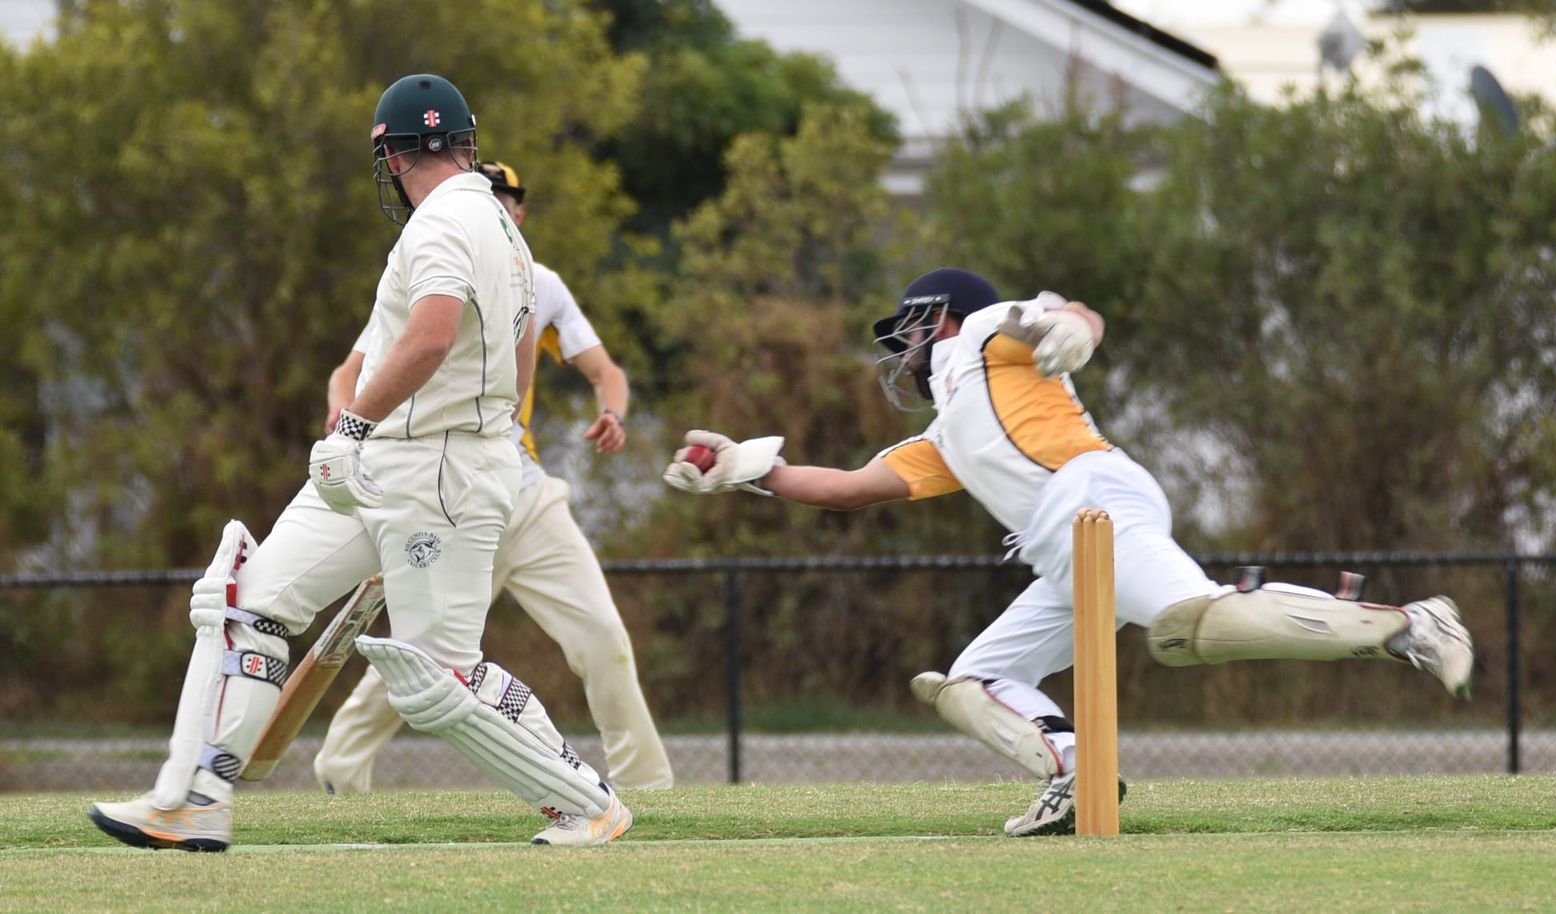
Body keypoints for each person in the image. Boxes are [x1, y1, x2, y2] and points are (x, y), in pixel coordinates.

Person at [661, 266, 1474, 837]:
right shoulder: (949, 432)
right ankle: (1077, 775)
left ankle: (1408, 623)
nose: (903, 349)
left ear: (941, 316)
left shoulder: (985, 332)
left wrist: (1073, 329)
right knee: (974, 682)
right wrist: (748, 470)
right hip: (1064, 550)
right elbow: (845, 488)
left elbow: (1066, 311)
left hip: (1092, 502)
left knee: (1189, 629)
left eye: (909, 329)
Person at [88, 74, 631, 851]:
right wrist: (385, 436)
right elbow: (510, 364)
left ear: (394, 157)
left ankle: (588, 802)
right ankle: (193, 799)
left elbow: (432, 335)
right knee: (246, 605)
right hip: (391, 462)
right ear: (465, 142)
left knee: (438, 679)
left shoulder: (443, 223)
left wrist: (353, 425)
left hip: (436, 469)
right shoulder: (505, 232)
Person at [312, 160, 673, 794]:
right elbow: (350, 372)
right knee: (424, 658)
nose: (494, 209)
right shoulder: (428, 264)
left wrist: (613, 413)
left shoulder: (539, 282)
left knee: (603, 637)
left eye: (506, 199)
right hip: (447, 493)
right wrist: (346, 422)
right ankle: (340, 773)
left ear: (519, 213)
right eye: (486, 195)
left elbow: (606, 373)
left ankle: (646, 787)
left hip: (522, 493)